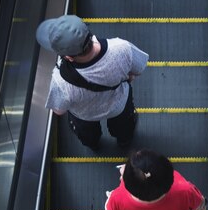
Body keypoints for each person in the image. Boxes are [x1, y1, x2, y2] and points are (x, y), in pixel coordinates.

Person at [36, 14, 149, 150]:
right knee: (124, 128)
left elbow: (59, 110)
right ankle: (124, 142)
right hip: (119, 106)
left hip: (85, 116)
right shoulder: (122, 48)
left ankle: (94, 145)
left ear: (69, 58)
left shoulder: (60, 80)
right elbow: (138, 69)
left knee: (88, 136)